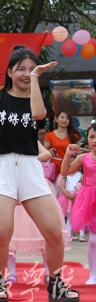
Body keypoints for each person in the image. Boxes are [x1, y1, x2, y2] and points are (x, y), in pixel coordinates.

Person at [0, 45, 79, 302]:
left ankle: (56, 284)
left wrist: (34, 80)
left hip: (31, 167)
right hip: (1, 167)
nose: (26, 73)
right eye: (21, 69)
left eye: (32, 69)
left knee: (54, 232)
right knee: (2, 232)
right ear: (9, 72)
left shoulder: (37, 101)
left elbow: (39, 115)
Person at [7, 142, 70, 284]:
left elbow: (47, 154)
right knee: (9, 233)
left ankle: (49, 272)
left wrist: (28, 159)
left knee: (45, 233)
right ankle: (11, 272)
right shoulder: (3, 137)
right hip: (12, 186)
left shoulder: (30, 137)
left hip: (36, 187)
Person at [62, 122, 96, 285]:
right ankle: (93, 274)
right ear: (87, 139)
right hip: (89, 200)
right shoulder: (84, 158)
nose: (94, 140)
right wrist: (68, 154)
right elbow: (64, 172)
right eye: (92, 137)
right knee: (93, 240)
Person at [44, 110, 81, 177]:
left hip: (70, 168)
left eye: (67, 118)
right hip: (54, 169)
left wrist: (72, 158)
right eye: (62, 117)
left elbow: (79, 153)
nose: (64, 120)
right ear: (56, 119)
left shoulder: (75, 136)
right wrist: (49, 152)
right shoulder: (49, 135)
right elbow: (43, 153)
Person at [57, 167, 85, 242]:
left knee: (80, 216)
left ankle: (81, 234)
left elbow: (83, 187)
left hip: (78, 198)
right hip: (67, 198)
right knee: (69, 216)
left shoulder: (81, 175)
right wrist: (68, 195)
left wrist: (78, 197)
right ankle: (68, 234)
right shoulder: (65, 176)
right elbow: (63, 187)